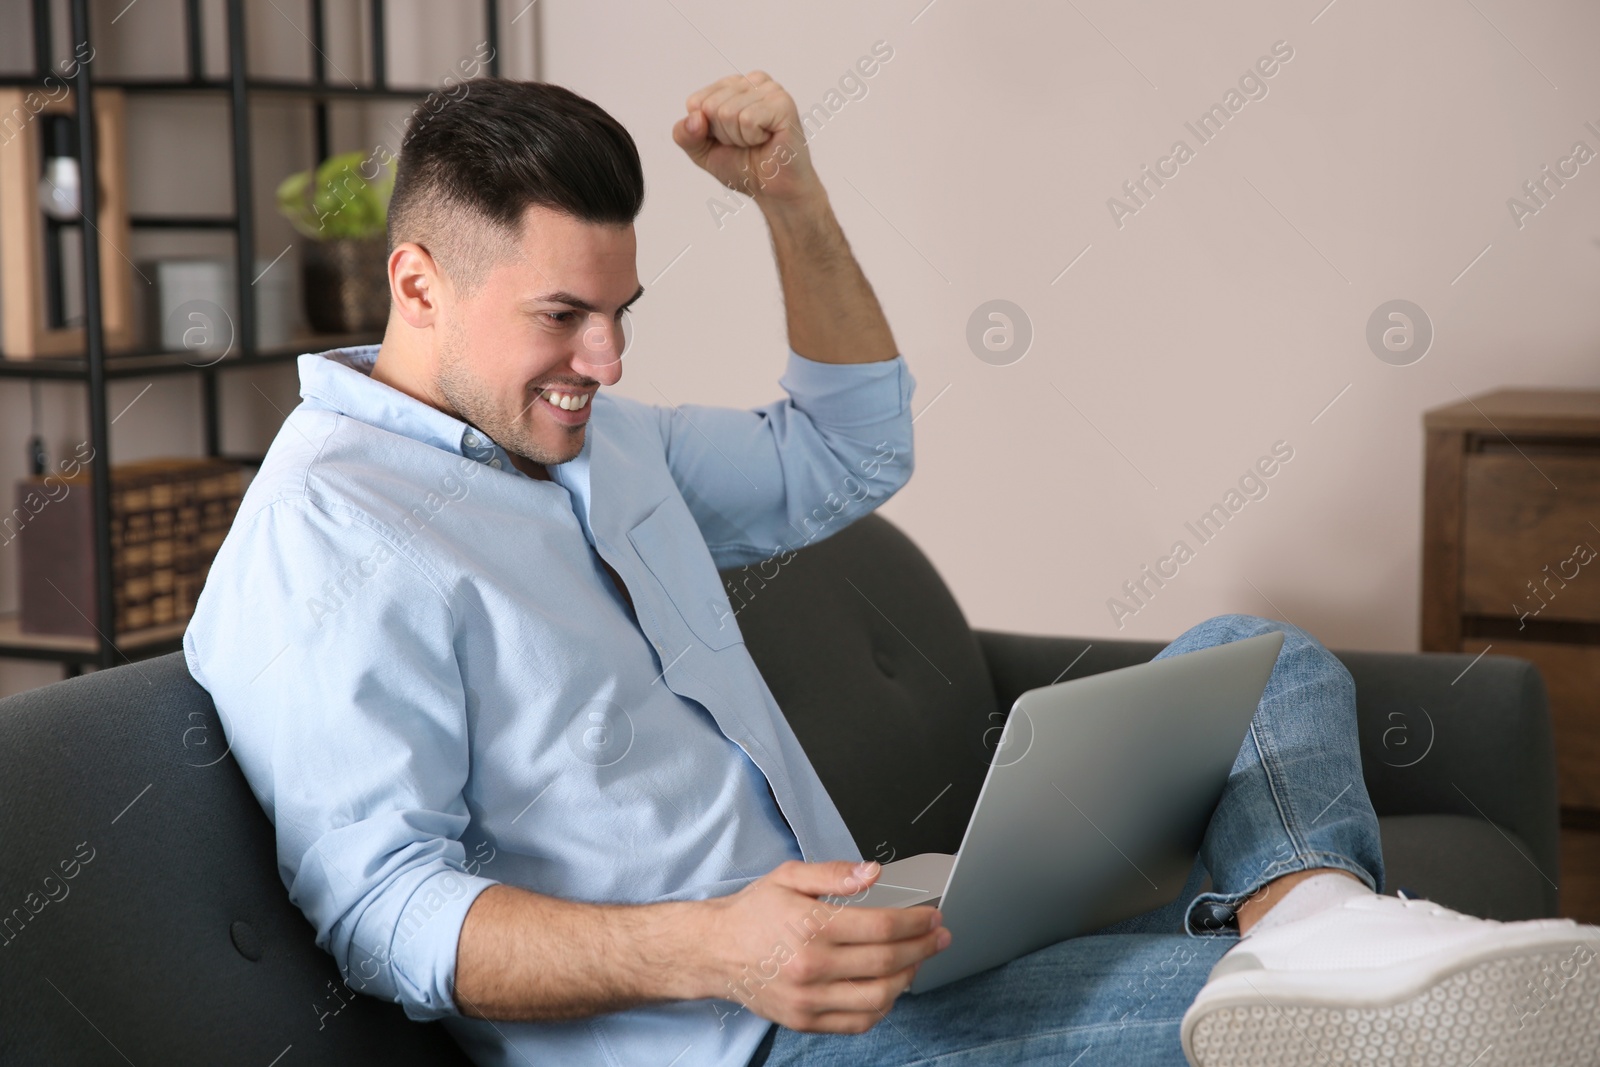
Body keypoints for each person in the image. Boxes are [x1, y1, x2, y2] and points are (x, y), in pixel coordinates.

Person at [183, 74, 1599, 1067]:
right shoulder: (330, 541)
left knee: (1259, 649)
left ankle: (1326, 932)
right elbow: (382, 913)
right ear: (418, 284)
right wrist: (712, 951)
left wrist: (789, 198)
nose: (608, 365)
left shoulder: (594, 438)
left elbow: (847, 451)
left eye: (620, 313)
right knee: (1362, 1031)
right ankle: (1343, 974)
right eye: (563, 316)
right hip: (752, 1040)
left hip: (887, 953)